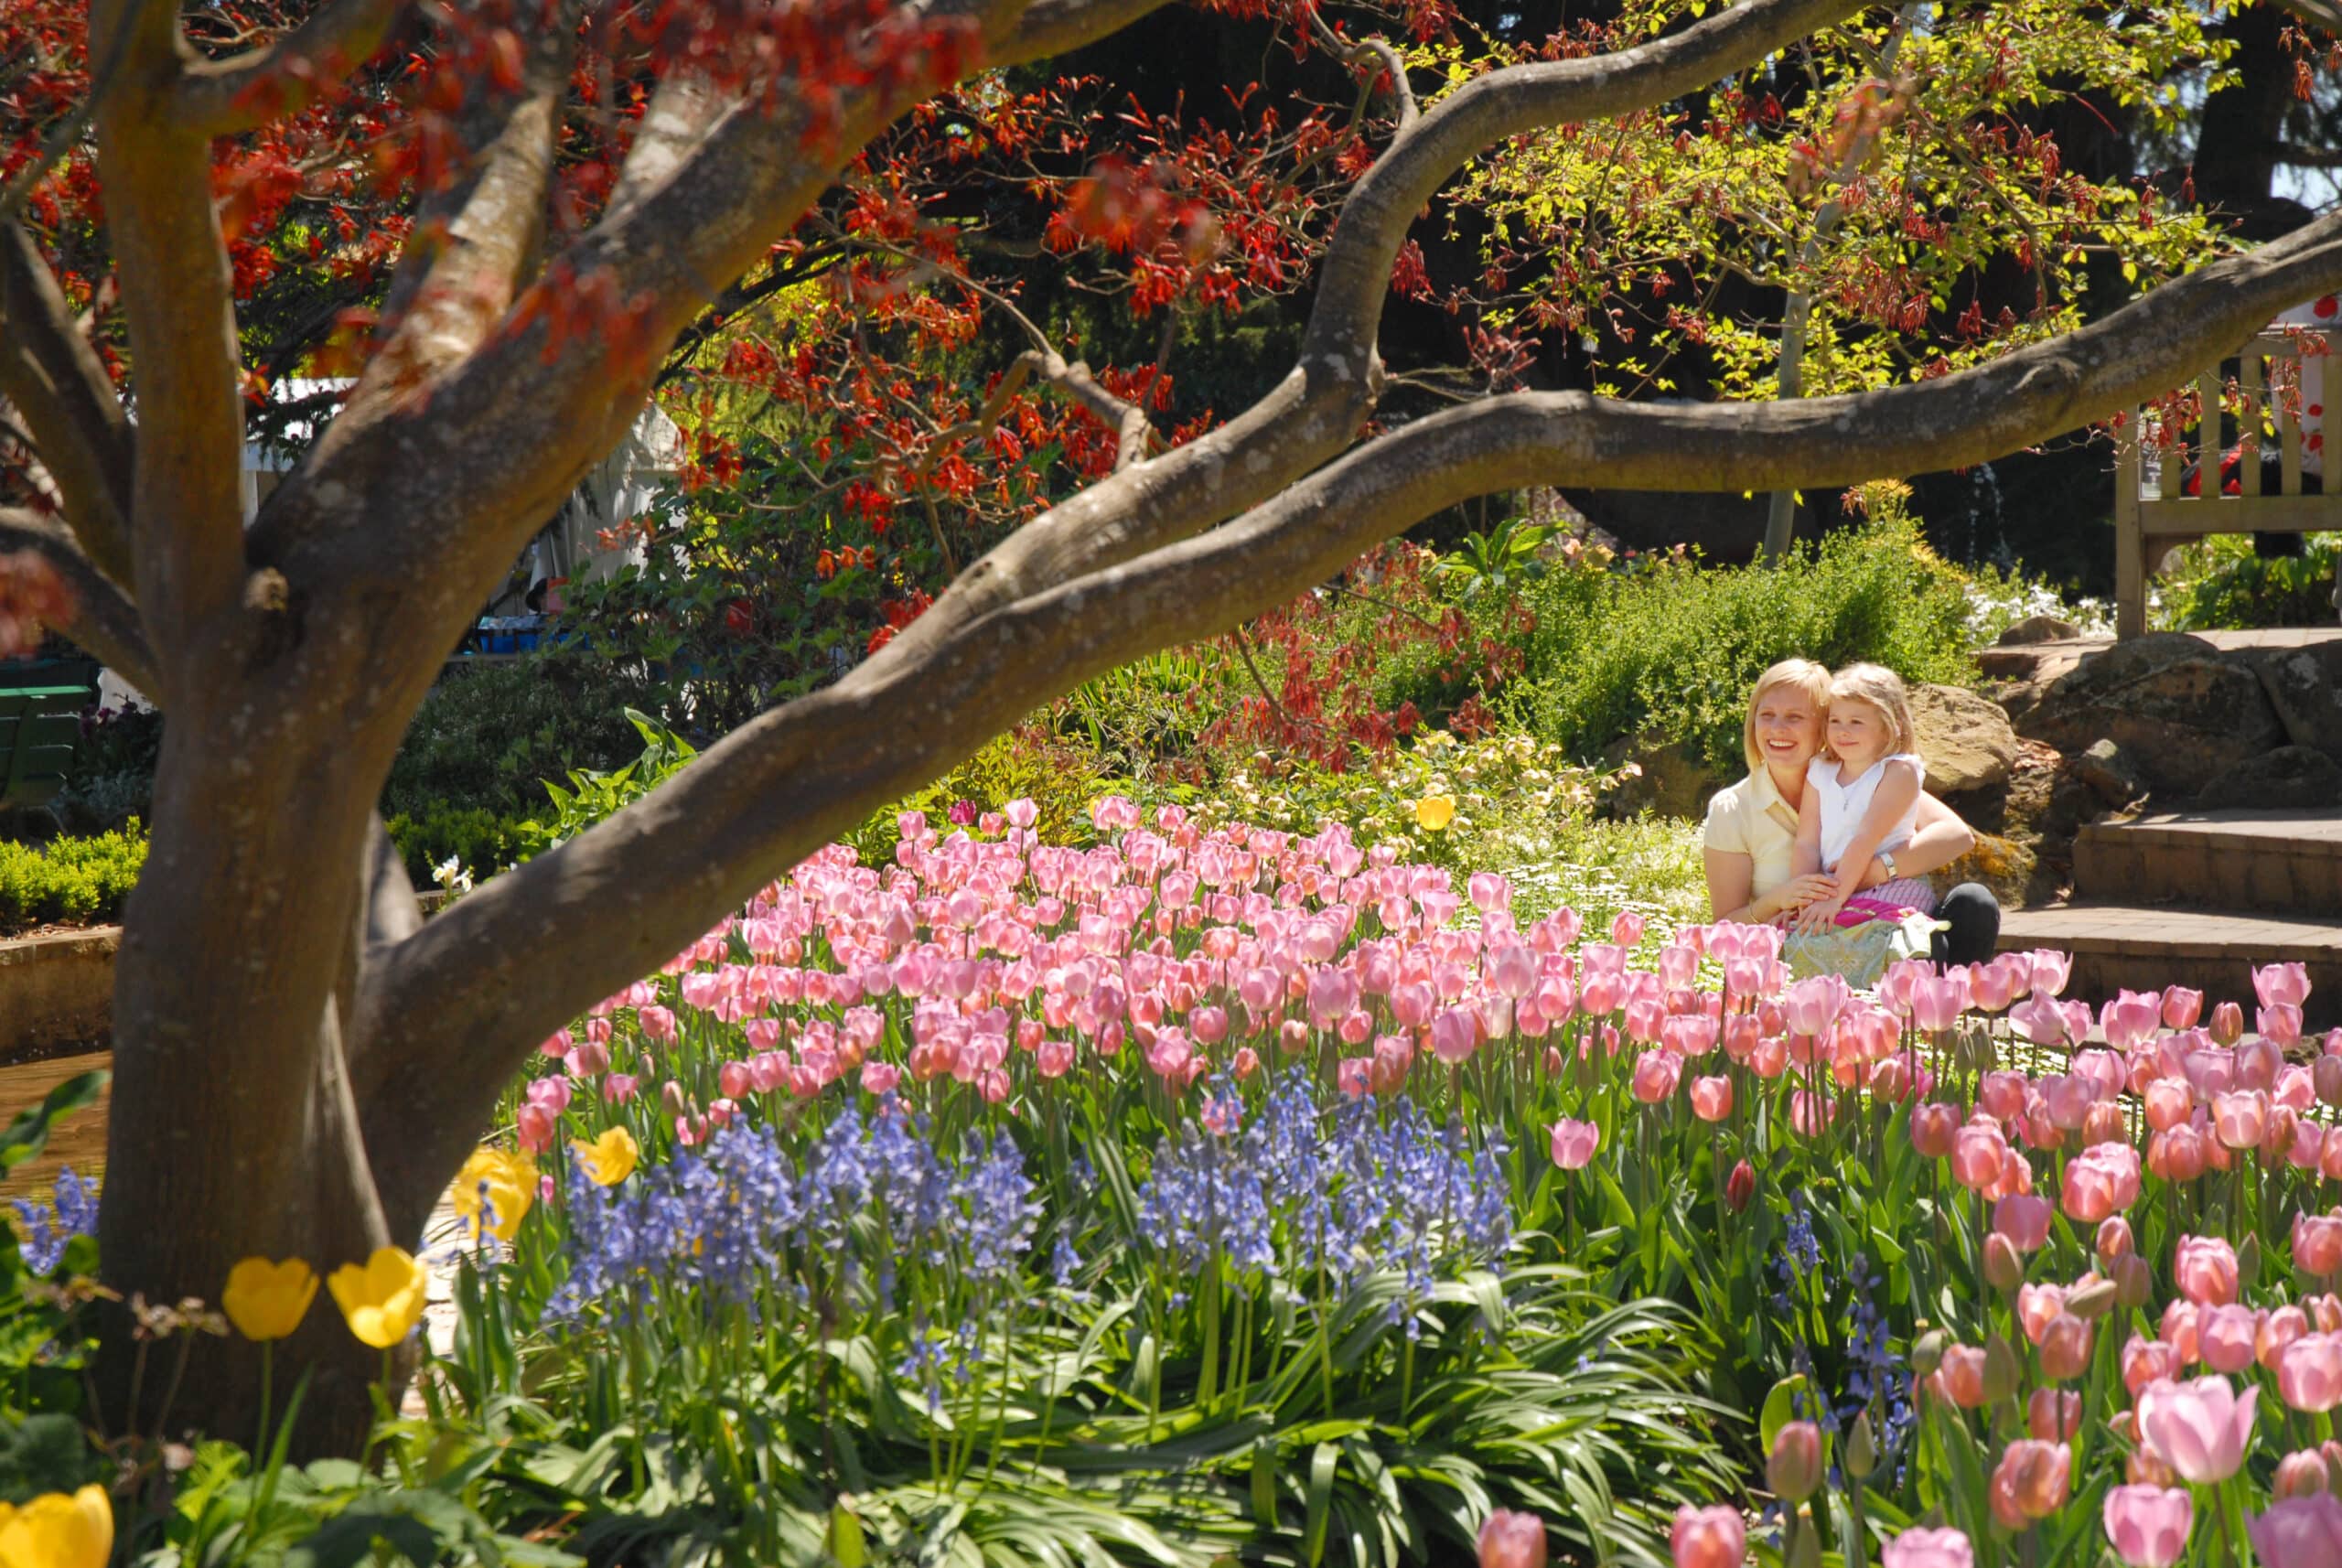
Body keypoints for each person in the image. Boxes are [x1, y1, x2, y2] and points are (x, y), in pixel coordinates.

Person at [1702, 658, 2002, 966]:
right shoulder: (1735, 808)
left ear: (1820, 724)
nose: (1778, 728)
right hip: (1813, 932)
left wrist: (1874, 872)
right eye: (1766, 715)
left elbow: (1956, 836)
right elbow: (1724, 927)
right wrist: (1779, 901)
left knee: (1973, 903)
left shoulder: (1864, 773)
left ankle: (1940, 1003)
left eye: (1794, 717)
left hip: (1882, 906)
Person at [1790, 662, 1932, 929]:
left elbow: (1866, 838)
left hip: (1886, 887)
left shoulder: (1898, 771)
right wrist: (1804, 898)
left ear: (1890, 726)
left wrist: (1834, 900)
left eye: (1856, 722)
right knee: (1799, 929)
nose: (1843, 731)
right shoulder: (1821, 769)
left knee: (1852, 930)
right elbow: (1806, 842)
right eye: (1835, 721)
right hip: (1834, 888)